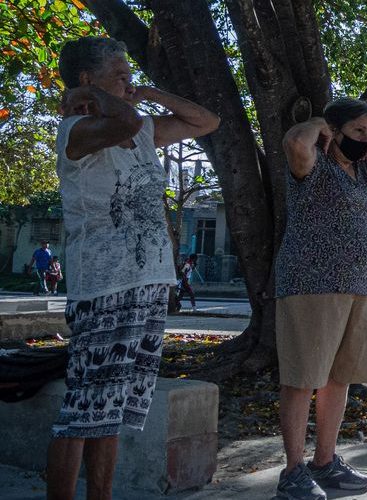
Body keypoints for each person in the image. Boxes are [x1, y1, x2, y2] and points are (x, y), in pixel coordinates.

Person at [48, 36, 220, 500]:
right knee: (81, 411)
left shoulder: (141, 129)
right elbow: (122, 120)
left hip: (149, 282)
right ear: (87, 81)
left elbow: (206, 121)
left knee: (113, 411)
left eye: (130, 75)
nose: (129, 83)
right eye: (120, 75)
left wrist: (148, 92)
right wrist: (95, 97)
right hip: (103, 286)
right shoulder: (77, 130)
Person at [273, 98, 367, 499]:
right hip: (311, 285)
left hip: (359, 286)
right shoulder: (313, 166)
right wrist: (319, 122)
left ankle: (325, 462)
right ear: (334, 131)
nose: (365, 139)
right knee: (303, 378)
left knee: (339, 377)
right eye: (358, 131)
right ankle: (293, 471)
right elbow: (295, 143)